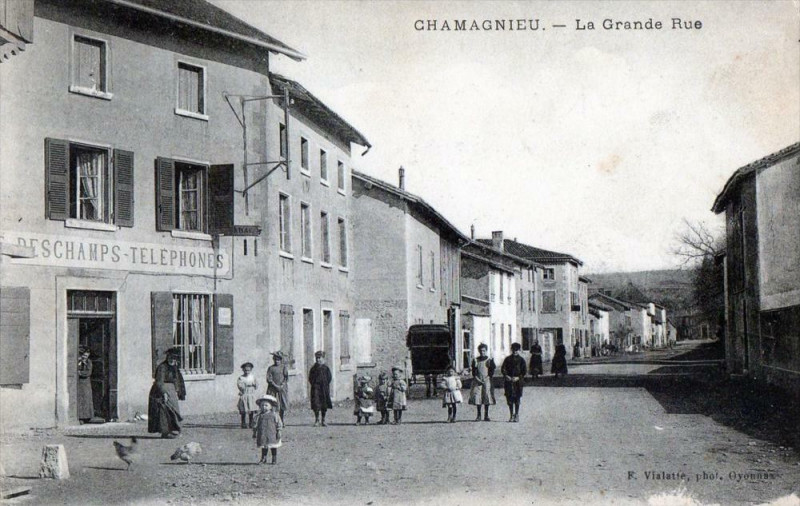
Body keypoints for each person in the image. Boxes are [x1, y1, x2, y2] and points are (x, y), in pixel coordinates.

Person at [148, 347, 186, 439]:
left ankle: (173, 430)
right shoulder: (162, 367)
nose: (172, 359)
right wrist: (163, 393)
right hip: (161, 391)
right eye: (171, 357)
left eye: (174, 358)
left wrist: (179, 390)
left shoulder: (174, 368)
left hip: (171, 392)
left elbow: (178, 379)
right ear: (168, 357)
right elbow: (159, 382)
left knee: (173, 411)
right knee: (164, 412)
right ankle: (165, 432)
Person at [468, 343, 496, 422]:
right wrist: (477, 379)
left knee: (486, 396)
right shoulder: (476, 360)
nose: (482, 352)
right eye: (480, 351)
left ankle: (486, 415)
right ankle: (478, 415)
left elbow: (491, 371)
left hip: (486, 380)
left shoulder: (489, 360)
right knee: (478, 397)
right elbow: (474, 372)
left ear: (486, 351)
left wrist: (487, 378)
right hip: (478, 381)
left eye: (484, 351)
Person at [253, 394, 283, 465]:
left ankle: (274, 458)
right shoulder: (259, 416)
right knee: (264, 447)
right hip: (262, 434)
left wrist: (279, 431)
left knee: (273, 446)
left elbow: (279, 423)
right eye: (262, 405)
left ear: (271, 406)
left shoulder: (274, 415)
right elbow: (255, 425)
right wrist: (254, 432)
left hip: (272, 433)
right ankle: (263, 458)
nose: (264, 407)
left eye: (266, 405)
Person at [501, 342, 527, 422]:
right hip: (508, 382)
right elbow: (503, 369)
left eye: (517, 350)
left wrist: (518, 377)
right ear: (511, 350)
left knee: (517, 398)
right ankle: (511, 414)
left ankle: (517, 415)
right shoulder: (507, 359)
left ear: (519, 350)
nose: (515, 351)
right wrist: (506, 376)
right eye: (514, 350)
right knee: (509, 399)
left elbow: (524, 371)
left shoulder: (521, 360)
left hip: (518, 383)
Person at [308, 351, 332, 427]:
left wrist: (325, 384)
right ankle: (317, 420)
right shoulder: (313, 369)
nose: (318, 359)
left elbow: (329, 378)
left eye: (319, 358)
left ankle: (323, 420)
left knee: (324, 404)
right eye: (317, 358)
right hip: (316, 389)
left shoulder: (326, 368)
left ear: (323, 358)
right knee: (316, 404)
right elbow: (310, 378)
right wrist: (315, 385)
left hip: (324, 388)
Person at [266, 351, 289, 421]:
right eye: (275, 360)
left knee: (282, 404)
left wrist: (282, 385)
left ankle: (281, 419)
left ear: (281, 360)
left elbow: (286, 377)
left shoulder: (283, 367)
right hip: (272, 388)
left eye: (278, 360)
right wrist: (275, 385)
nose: (277, 361)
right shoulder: (271, 368)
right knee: (272, 403)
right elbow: (269, 378)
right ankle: (273, 419)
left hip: (282, 388)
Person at [237, 362, 259, 428]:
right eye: (245, 370)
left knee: (251, 408)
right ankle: (243, 423)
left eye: (248, 370)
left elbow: (256, 385)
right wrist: (246, 386)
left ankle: (251, 422)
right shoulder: (241, 378)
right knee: (243, 409)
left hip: (251, 394)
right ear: (243, 370)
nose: (247, 372)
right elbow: (240, 385)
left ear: (251, 370)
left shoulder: (253, 377)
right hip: (245, 394)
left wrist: (254, 384)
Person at [77, 347, 94, 423]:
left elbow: (88, 372)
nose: (84, 357)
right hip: (79, 383)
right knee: (80, 399)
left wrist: (80, 373)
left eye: (86, 355)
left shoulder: (89, 362)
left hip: (86, 383)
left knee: (86, 399)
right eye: (83, 355)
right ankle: (80, 417)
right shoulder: (78, 361)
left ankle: (87, 416)